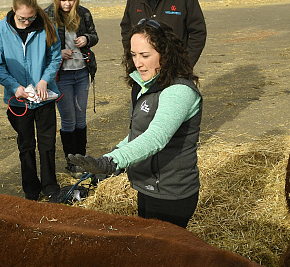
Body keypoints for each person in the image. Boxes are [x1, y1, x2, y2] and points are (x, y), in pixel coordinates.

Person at [70, 19, 203, 228]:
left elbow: (155, 138)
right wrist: (109, 156)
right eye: (133, 55)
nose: (137, 63)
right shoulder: (146, 85)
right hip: (147, 186)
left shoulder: (179, 91)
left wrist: (112, 162)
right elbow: (139, 132)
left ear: (165, 54)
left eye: (145, 55)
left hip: (171, 193)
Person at [0, 0, 63, 201]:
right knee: (26, 145)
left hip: (44, 98)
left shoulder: (47, 26)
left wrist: (44, 80)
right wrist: (15, 87)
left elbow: (55, 57)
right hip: (19, 101)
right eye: (22, 18)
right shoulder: (0, 31)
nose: (27, 22)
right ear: (13, 10)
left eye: (31, 18)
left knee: (47, 143)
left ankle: (50, 185)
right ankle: (31, 188)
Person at [44, 0, 99, 174]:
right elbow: (41, 48)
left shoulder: (83, 14)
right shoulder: (47, 16)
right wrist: (58, 54)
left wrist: (87, 39)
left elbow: (95, 35)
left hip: (82, 72)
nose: (67, 4)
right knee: (69, 119)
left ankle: (81, 160)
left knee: (81, 118)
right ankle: (71, 161)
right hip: (62, 76)